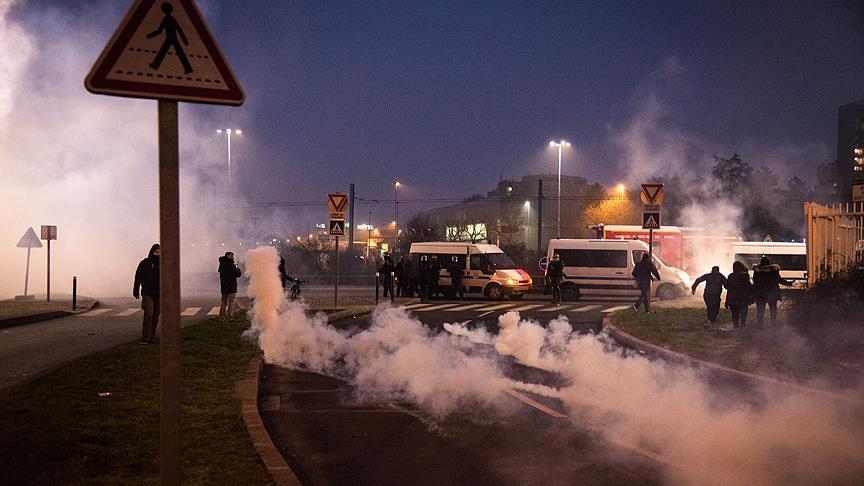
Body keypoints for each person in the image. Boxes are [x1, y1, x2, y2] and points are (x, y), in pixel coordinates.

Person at [752, 256, 792, 327]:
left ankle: (760, 325)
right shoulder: (773, 270)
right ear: (768, 262)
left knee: (760, 310)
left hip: (760, 293)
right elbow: (778, 279)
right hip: (771, 292)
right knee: (773, 310)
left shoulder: (757, 270)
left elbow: (755, 280)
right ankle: (773, 324)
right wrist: (788, 283)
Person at [133, 244, 160, 345]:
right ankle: (146, 338)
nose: (158, 255)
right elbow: (138, 278)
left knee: (156, 315)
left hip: (159, 293)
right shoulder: (145, 263)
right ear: (152, 252)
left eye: (159, 253)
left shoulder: (163, 264)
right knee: (149, 314)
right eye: (156, 252)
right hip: (147, 293)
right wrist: (136, 291)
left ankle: (152, 336)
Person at [725, 261, 753, 329]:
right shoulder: (745, 275)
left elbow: (728, 288)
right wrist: (750, 297)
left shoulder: (731, 276)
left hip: (733, 298)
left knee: (734, 313)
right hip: (743, 297)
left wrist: (727, 300)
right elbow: (748, 287)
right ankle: (743, 324)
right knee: (743, 311)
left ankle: (736, 325)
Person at [218, 252, 241, 322]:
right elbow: (238, 274)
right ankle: (230, 316)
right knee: (231, 302)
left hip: (224, 287)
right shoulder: (231, 265)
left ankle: (222, 317)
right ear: (227, 256)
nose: (233, 257)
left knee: (224, 302)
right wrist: (237, 267)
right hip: (232, 287)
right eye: (231, 256)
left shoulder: (221, 265)